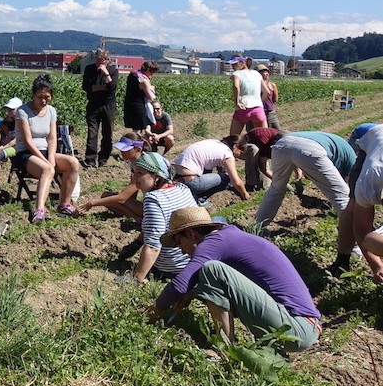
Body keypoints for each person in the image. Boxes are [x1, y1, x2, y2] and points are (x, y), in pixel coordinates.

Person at [148, 207, 321, 352]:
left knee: (212, 270)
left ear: (191, 233)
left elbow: (179, 284)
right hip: (302, 326)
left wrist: (155, 311)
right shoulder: (227, 237)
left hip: (297, 329)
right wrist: (192, 292)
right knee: (210, 271)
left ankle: (223, 349)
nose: (182, 250)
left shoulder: (213, 243)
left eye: (179, 243)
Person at [253, 131, 354, 241]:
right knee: (342, 196)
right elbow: (347, 181)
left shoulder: (340, 147)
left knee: (276, 188)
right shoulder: (352, 162)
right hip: (309, 149)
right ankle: (354, 245)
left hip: (282, 144)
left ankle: (257, 229)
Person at [15, 73, 82, 223]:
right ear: (33, 95)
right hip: (26, 154)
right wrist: (45, 160)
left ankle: (64, 203)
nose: (43, 100)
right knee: (48, 169)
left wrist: (51, 157)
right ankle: (39, 210)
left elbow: (52, 138)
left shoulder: (51, 111)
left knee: (73, 163)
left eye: (47, 97)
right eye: (40, 97)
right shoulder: (23, 111)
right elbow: (27, 141)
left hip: (46, 151)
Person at [129, 152, 198, 282]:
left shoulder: (153, 200)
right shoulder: (182, 188)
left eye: (140, 173)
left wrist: (137, 278)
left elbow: (153, 246)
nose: (134, 177)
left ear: (157, 176)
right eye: (134, 172)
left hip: (171, 268)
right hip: (194, 261)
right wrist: (136, 243)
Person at [341, 124, 383, 282]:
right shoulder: (368, 183)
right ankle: (342, 258)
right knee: (353, 208)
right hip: (373, 139)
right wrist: (376, 265)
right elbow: (361, 230)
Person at [78, 134, 145, 221]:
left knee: (112, 199)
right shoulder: (134, 162)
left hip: (155, 210)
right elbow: (132, 192)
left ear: (138, 149)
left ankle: (138, 218)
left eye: (126, 150)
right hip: (147, 206)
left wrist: (92, 203)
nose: (121, 152)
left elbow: (122, 198)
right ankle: (136, 218)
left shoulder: (142, 167)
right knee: (106, 196)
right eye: (121, 149)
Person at [172, 138, 250, 204]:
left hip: (176, 179)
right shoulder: (228, 155)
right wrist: (245, 194)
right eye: (241, 152)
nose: (239, 156)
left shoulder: (214, 143)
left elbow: (209, 165)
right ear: (235, 146)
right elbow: (236, 182)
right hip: (192, 182)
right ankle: (200, 199)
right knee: (227, 177)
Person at [81, 49, 118, 168]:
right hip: (93, 105)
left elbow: (112, 87)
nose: (99, 62)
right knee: (92, 133)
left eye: (102, 60)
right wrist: (101, 87)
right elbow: (86, 86)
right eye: (97, 59)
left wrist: (105, 73)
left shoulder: (113, 71)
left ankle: (103, 159)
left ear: (107, 60)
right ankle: (90, 159)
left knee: (107, 134)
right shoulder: (89, 69)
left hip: (108, 106)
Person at [229, 128, 282, 192]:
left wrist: (297, 176)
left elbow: (292, 159)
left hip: (259, 143)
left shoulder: (281, 142)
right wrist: (280, 182)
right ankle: (251, 184)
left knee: (266, 185)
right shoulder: (272, 147)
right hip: (247, 146)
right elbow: (263, 168)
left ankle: (264, 186)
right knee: (254, 151)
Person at [227, 56, 266, 136]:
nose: (233, 67)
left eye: (235, 64)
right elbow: (267, 91)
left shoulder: (237, 74)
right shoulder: (257, 74)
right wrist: (259, 102)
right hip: (257, 108)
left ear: (242, 63)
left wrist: (237, 102)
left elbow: (235, 86)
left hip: (243, 108)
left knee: (233, 139)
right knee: (264, 137)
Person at [123, 61, 158, 135]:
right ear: (148, 70)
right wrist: (152, 88)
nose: (152, 75)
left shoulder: (133, 75)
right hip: (139, 106)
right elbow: (150, 97)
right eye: (152, 72)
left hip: (129, 104)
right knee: (138, 131)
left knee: (134, 129)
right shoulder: (144, 80)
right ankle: (138, 145)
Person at [257, 64, 280, 129]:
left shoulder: (272, 85)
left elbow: (275, 99)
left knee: (276, 131)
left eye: (266, 72)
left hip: (270, 112)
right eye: (263, 72)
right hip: (258, 111)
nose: (265, 74)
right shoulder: (255, 85)